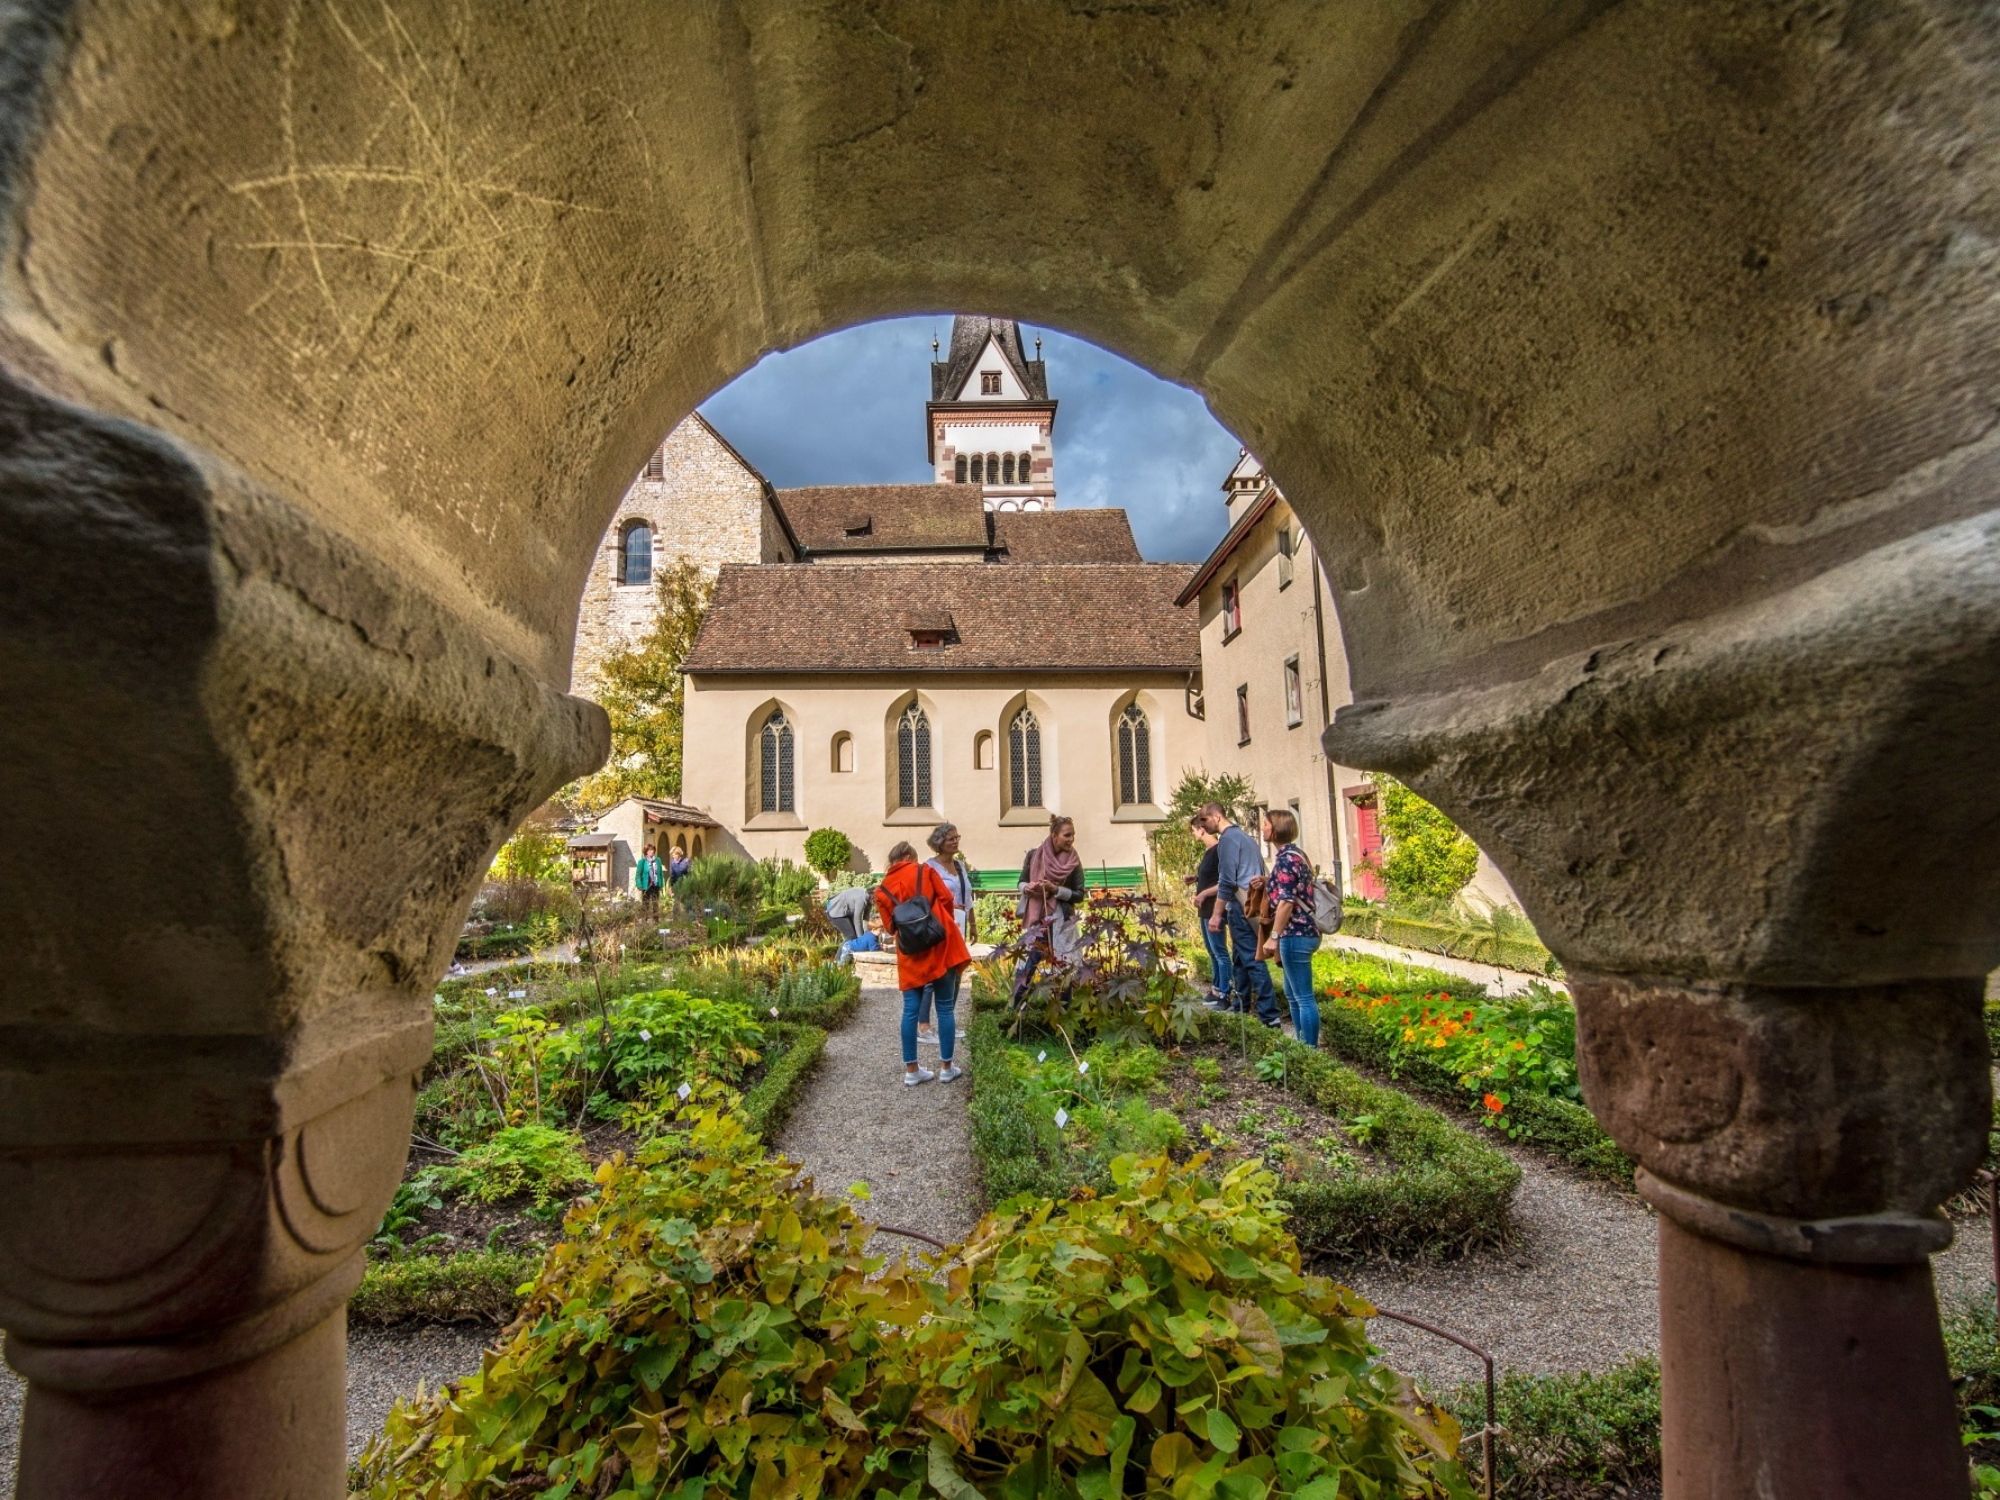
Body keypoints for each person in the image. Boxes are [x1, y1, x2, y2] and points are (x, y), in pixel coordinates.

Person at [874, 841, 972, 1086]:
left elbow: (889, 927)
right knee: (945, 1007)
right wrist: (940, 919)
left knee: (910, 1010)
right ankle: (947, 1067)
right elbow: (947, 899)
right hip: (939, 944)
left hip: (911, 953)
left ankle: (912, 1070)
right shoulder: (925, 871)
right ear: (909, 856)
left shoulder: (881, 890)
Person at [1201, 802, 1282, 1028]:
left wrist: (1217, 915)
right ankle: (1240, 1004)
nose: (1202, 826)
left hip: (1241, 904)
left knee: (1251, 958)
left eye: (1204, 820)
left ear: (1216, 816)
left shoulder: (1227, 841)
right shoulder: (1245, 837)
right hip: (1253, 902)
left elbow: (1227, 881)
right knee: (1239, 958)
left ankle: (1269, 1014)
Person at [1257, 807, 1321, 1045]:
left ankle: (1309, 1050)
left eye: (1265, 823)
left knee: (1303, 998)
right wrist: (1267, 881)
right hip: (1305, 931)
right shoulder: (1296, 854)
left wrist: (1273, 936)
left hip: (1295, 933)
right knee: (1293, 996)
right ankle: (1302, 1044)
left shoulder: (1285, 860)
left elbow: (1286, 902)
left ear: (1275, 829)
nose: (1262, 827)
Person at [916, 823, 978, 1053]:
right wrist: (949, 906)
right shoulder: (930, 867)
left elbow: (967, 896)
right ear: (939, 842)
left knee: (957, 971)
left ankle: (946, 1023)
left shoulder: (959, 866)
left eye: (957, 837)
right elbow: (925, 898)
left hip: (958, 927)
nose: (955, 841)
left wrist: (973, 923)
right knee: (935, 975)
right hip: (939, 927)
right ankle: (923, 1026)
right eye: (951, 838)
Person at [1011, 814, 1084, 1003]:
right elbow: (1021, 882)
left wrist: (1056, 890)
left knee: (1065, 968)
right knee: (1027, 967)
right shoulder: (1034, 855)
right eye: (1067, 835)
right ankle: (1015, 1012)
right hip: (1038, 922)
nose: (1071, 839)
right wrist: (1028, 888)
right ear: (1054, 835)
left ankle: (1063, 1012)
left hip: (1062, 922)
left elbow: (1079, 894)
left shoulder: (1073, 861)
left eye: (1073, 835)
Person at [1185, 816, 1236, 1009]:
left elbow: (1224, 881)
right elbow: (1211, 876)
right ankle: (1216, 988)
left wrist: (1204, 893)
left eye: (1193, 830)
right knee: (1212, 951)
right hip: (1205, 909)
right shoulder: (1208, 852)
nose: (1193, 834)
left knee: (1220, 951)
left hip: (1214, 907)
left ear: (1201, 829)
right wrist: (1196, 878)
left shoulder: (1218, 851)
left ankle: (1225, 993)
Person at [634, 843, 666, 915]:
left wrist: (661, 885)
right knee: (645, 904)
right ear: (646, 852)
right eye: (649, 850)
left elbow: (660, 873)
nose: (651, 852)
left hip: (655, 885)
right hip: (646, 886)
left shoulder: (658, 860)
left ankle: (656, 921)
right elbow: (638, 875)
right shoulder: (642, 862)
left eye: (652, 850)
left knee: (655, 904)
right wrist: (639, 886)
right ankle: (644, 920)